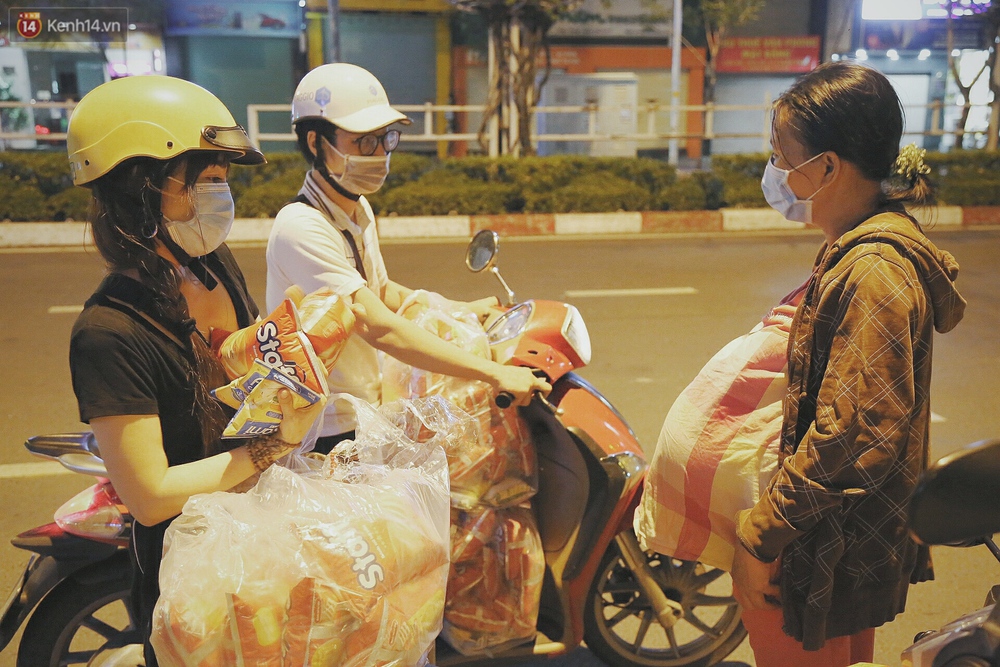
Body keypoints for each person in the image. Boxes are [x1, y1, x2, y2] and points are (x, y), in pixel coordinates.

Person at [66, 76, 325, 666]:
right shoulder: (108, 333)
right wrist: (271, 447)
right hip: (192, 583)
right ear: (140, 187)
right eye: (206, 179)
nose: (222, 196)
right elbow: (153, 495)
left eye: (224, 179)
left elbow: (250, 364)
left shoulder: (211, 264)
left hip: (261, 547)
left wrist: (296, 367)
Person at [730, 61, 967, 666]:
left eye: (782, 156)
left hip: (826, 550)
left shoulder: (873, 273)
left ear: (827, 166)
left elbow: (855, 433)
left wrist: (762, 536)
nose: (775, 172)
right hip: (831, 544)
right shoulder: (854, 247)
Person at [266, 63, 550, 453]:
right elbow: (379, 325)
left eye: (387, 138)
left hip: (366, 408)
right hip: (322, 426)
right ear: (316, 142)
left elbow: (378, 292)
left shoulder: (357, 208)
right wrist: (493, 373)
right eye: (364, 141)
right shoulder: (300, 227)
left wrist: (458, 310)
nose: (381, 154)